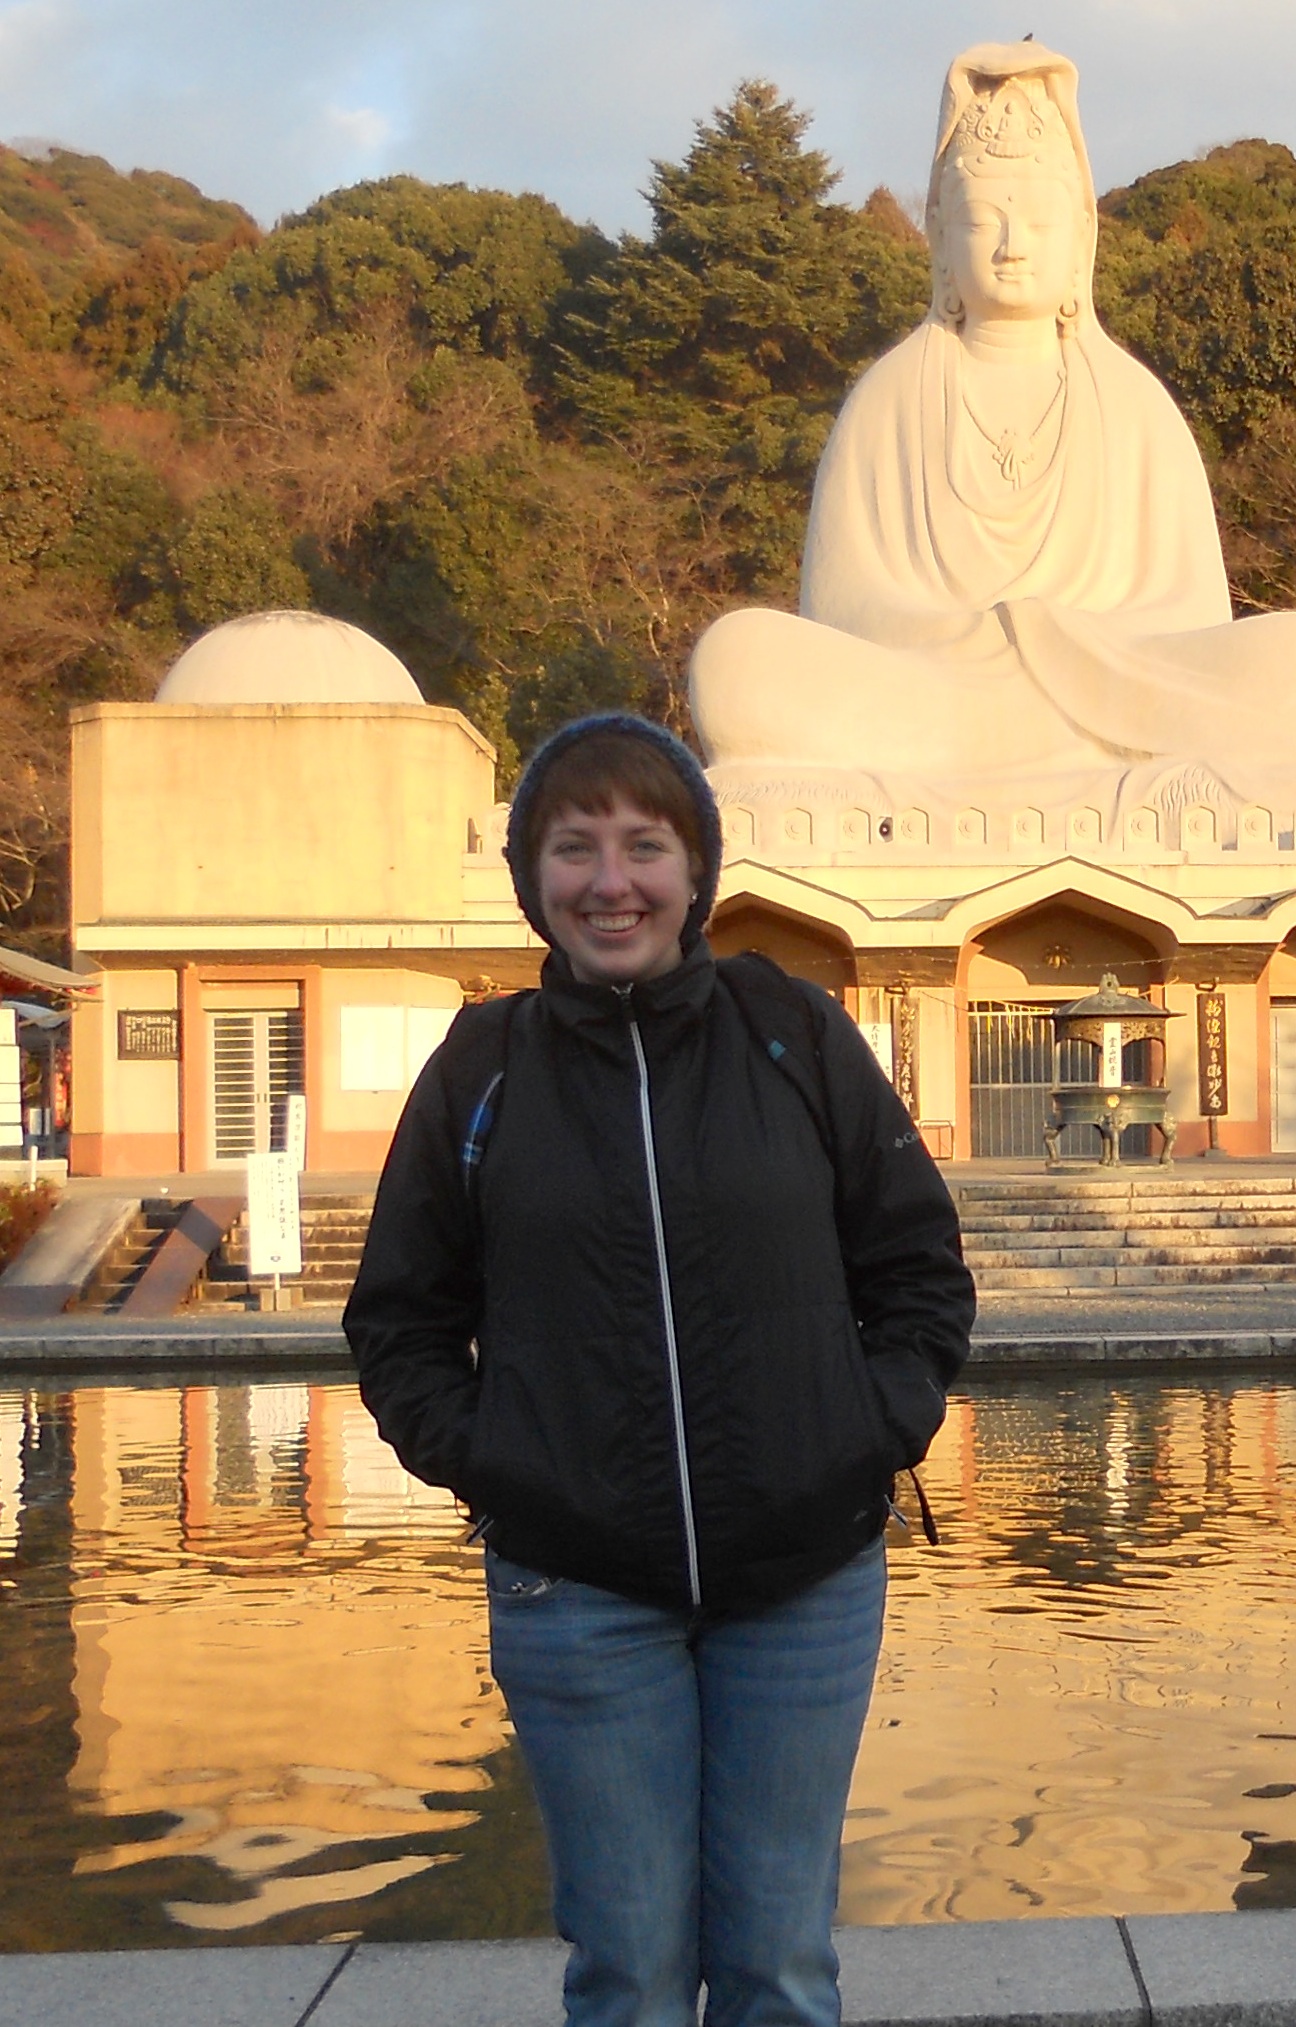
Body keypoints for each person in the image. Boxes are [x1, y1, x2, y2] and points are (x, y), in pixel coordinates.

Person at [344, 712, 975, 2027]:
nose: (610, 878)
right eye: (573, 846)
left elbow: (915, 1264)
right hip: (578, 1586)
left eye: (645, 842)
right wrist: (508, 1464)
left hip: (802, 1576)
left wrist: (864, 1430)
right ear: (534, 878)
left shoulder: (787, 1030)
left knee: (779, 1962)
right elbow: (400, 1318)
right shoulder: (484, 1065)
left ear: (696, 870)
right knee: (625, 1963)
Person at [691, 39, 1296, 836]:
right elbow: (844, 609)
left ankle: (891, 807)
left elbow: (1193, 615)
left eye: (1036, 219)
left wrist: (1059, 641)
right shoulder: (890, 396)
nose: (1012, 245)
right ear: (938, 240)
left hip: (1117, 704)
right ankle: (1155, 799)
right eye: (983, 220)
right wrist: (994, 641)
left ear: (1080, 239)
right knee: (737, 659)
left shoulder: (1132, 401)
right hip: (936, 709)